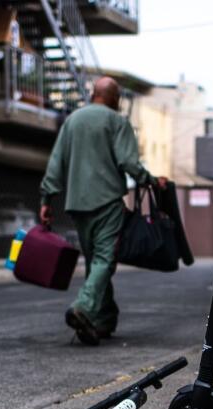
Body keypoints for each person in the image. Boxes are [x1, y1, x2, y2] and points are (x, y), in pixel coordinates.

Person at [39, 76, 168, 346]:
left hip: (77, 203)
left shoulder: (72, 120)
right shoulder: (117, 122)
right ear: (113, 98)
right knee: (104, 260)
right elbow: (128, 162)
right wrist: (152, 180)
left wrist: (46, 200)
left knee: (94, 261)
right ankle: (83, 307)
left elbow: (56, 161)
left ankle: (104, 319)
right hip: (107, 201)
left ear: (93, 94)